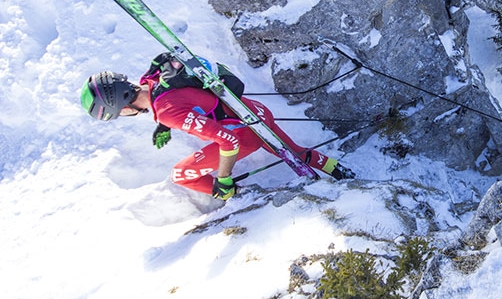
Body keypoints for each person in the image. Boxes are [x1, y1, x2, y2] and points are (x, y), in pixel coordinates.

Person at [80, 54, 353, 201]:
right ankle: (342, 172)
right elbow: (186, 98)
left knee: (181, 175)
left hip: (244, 135)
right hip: (256, 112)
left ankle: (236, 197)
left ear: (124, 107)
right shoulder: (153, 77)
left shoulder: (167, 111)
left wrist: (223, 179)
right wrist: (165, 124)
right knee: (295, 151)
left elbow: (228, 142)